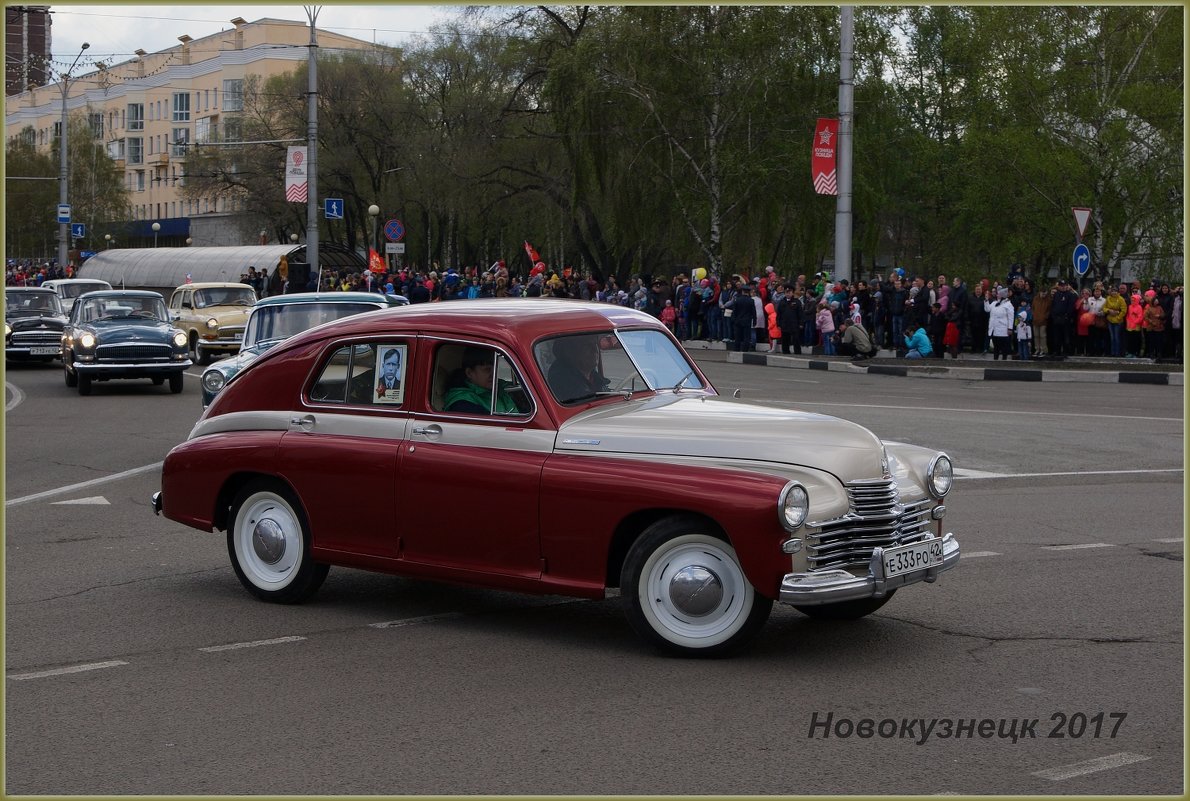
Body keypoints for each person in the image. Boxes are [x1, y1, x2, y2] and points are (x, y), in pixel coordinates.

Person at [444, 346, 517, 414]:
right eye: (487, 369)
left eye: (495, 369)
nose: (493, 374)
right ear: (469, 373)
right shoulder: (462, 403)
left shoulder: (500, 386)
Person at [548, 336, 609, 402]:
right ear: (570, 351)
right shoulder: (561, 379)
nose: (595, 349)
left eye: (596, 344)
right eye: (587, 345)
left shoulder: (594, 377)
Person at [986, 287, 1015, 360]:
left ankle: (1004, 360)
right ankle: (995, 360)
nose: (997, 295)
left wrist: (1010, 328)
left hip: (1003, 329)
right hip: (994, 328)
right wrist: (986, 300)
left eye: (998, 294)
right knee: (996, 347)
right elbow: (987, 309)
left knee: (1003, 347)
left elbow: (1011, 317)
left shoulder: (1008, 304)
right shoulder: (994, 303)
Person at [777, 286, 804, 355]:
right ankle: (785, 352)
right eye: (786, 292)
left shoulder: (797, 302)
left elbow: (800, 313)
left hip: (794, 324)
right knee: (785, 339)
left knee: (796, 339)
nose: (787, 294)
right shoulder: (782, 302)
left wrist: (801, 323)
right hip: (784, 324)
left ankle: (797, 352)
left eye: (789, 292)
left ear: (792, 293)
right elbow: (779, 314)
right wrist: (778, 324)